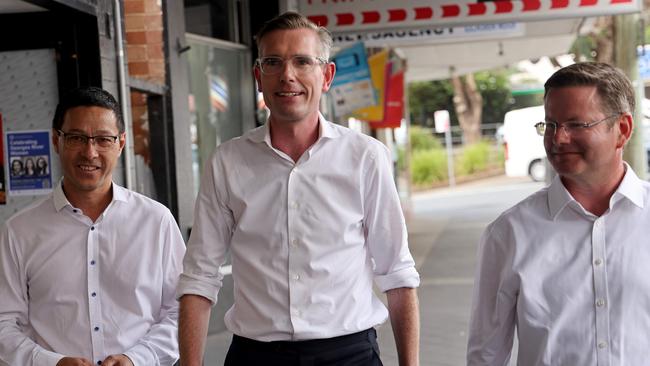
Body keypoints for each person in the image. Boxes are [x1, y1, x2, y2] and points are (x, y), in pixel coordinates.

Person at [177, 11, 420, 366]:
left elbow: (397, 273)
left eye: (302, 62)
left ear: (327, 76)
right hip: (255, 356)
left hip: (349, 354)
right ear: (259, 77)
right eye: (273, 62)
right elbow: (199, 276)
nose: (287, 75)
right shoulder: (227, 162)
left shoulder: (365, 157)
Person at [467, 62, 648, 365]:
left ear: (623, 130)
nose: (558, 138)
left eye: (576, 125)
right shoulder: (509, 232)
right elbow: (486, 354)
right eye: (550, 125)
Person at [0, 87, 185, 366]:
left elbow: (181, 311)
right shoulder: (19, 231)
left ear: (121, 143)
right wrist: (52, 362)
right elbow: (3, 323)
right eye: (76, 138)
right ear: (55, 141)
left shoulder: (156, 222)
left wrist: (136, 359)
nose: (90, 152)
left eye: (103, 139)